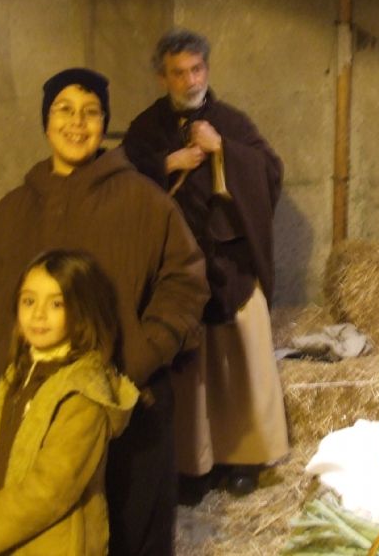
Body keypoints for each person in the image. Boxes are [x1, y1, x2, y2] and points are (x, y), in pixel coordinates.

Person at [0, 68, 209, 554]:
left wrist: (138, 358)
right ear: (46, 121)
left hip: (131, 409)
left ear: (104, 123)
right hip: (40, 415)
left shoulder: (145, 202)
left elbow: (185, 283)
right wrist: (11, 368)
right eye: (64, 110)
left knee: (132, 533)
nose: (77, 123)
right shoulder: (8, 214)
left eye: (91, 112)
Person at [122, 28, 289, 498]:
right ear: (163, 78)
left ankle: (244, 458)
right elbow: (122, 182)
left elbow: (271, 173)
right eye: (178, 73)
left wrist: (224, 151)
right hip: (172, 272)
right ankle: (193, 465)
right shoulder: (145, 130)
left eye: (196, 69)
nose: (190, 80)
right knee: (187, 373)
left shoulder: (231, 122)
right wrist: (168, 163)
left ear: (207, 70)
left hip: (230, 266)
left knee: (242, 364)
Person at [0, 250, 139, 555]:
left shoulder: (82, 395)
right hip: (9, 535)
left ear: (82, 311)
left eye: (56, 304)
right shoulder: (20, 374)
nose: (38, 314)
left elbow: (51, 489)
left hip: (54, 545)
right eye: (29, 301)